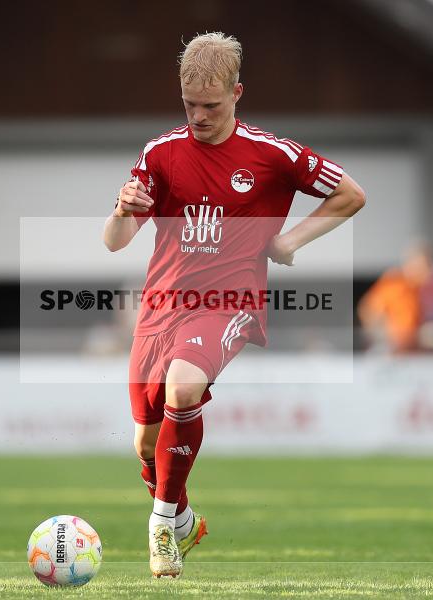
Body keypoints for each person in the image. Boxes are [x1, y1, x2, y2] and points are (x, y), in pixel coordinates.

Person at [102, 32, 365, 578]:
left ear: (237, 93)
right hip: (162, 306)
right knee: (145, 444)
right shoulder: (160, 153)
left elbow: (351, 194)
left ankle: (159, 526)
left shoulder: (274, 155)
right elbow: (115, 241)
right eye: (189, 104)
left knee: (184, 387)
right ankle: (182, 519)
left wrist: (290, 240)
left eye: (211, 105)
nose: (198, 116)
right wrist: (122, 209)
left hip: (230, 301)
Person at [357, 242, 431, 353]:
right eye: (424, 264)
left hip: (415, 351)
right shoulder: (394, 282)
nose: (427, 270)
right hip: (393, 350)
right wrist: (384, 337)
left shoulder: (425, 288)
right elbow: (368, 311)